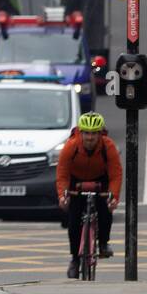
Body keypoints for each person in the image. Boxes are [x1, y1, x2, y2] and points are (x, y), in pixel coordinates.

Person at [56, 111, 122, 278]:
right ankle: (74, 259)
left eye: (94, 134)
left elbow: (115, 174)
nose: (90, 138)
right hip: (75, 181)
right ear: (81, 133)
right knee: (73, 220)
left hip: (101, 179)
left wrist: (113, 197)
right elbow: (62, 174)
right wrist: (63, 196)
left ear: (100, 134)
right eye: (86, 133)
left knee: (105, 211)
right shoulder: (71, 146)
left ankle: (104, 243)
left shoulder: (108, 146)